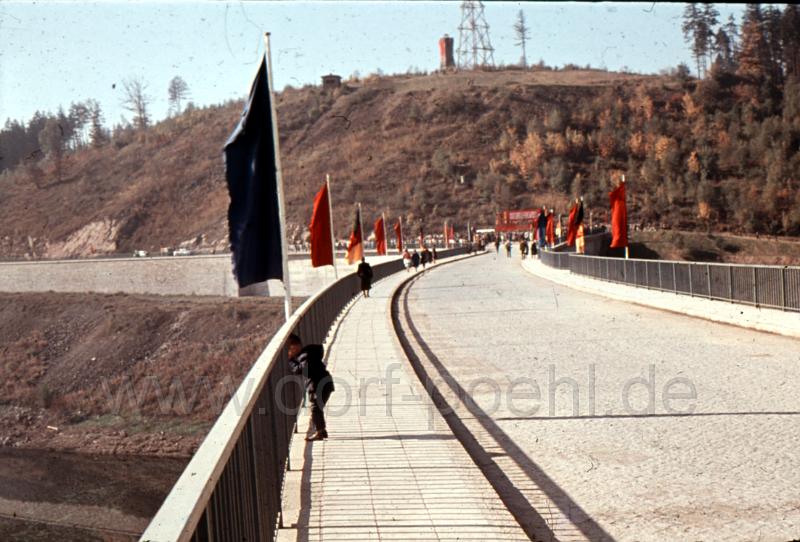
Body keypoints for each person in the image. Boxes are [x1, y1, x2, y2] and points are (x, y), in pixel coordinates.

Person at [288, 334, 334, 441]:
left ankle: (320, 432)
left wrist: (291, 361)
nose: (290, 353)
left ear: (295, 347)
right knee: (317, 407)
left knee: (315, 408)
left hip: (319, 385)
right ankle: (321, 430)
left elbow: (302, 370)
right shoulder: (309, 352)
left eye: (290, 350)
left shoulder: (305, 356)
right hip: (325, 383)